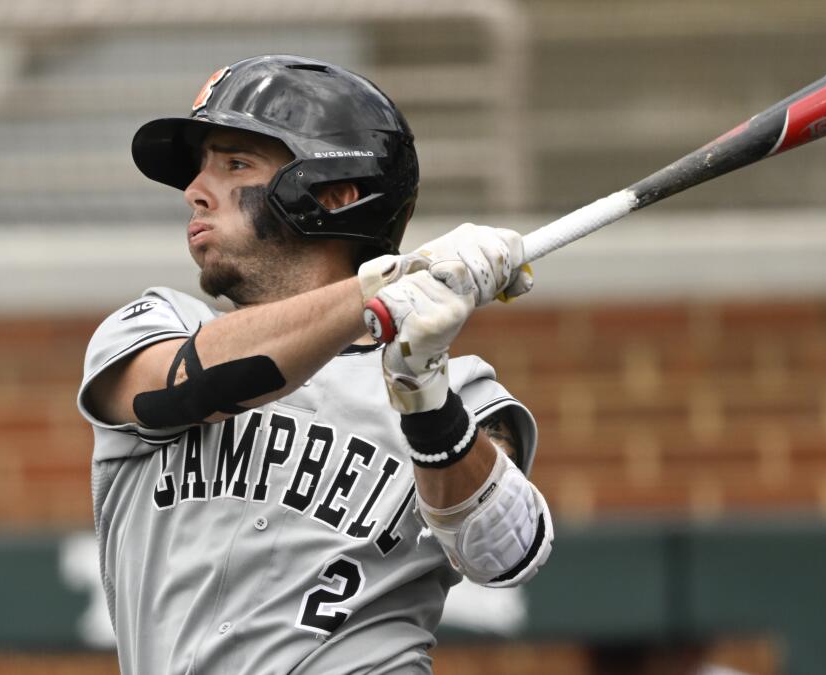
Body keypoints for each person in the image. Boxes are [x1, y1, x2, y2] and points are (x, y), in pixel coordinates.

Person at [77, 54, 553, 674]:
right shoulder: (155, 326)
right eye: (201, 170)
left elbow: (508, 552)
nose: (195, 191)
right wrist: (376, 296)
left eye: (235, 164)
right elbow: (184, 386)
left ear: (331, 194)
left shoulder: (457, 388)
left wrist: (425, 396)